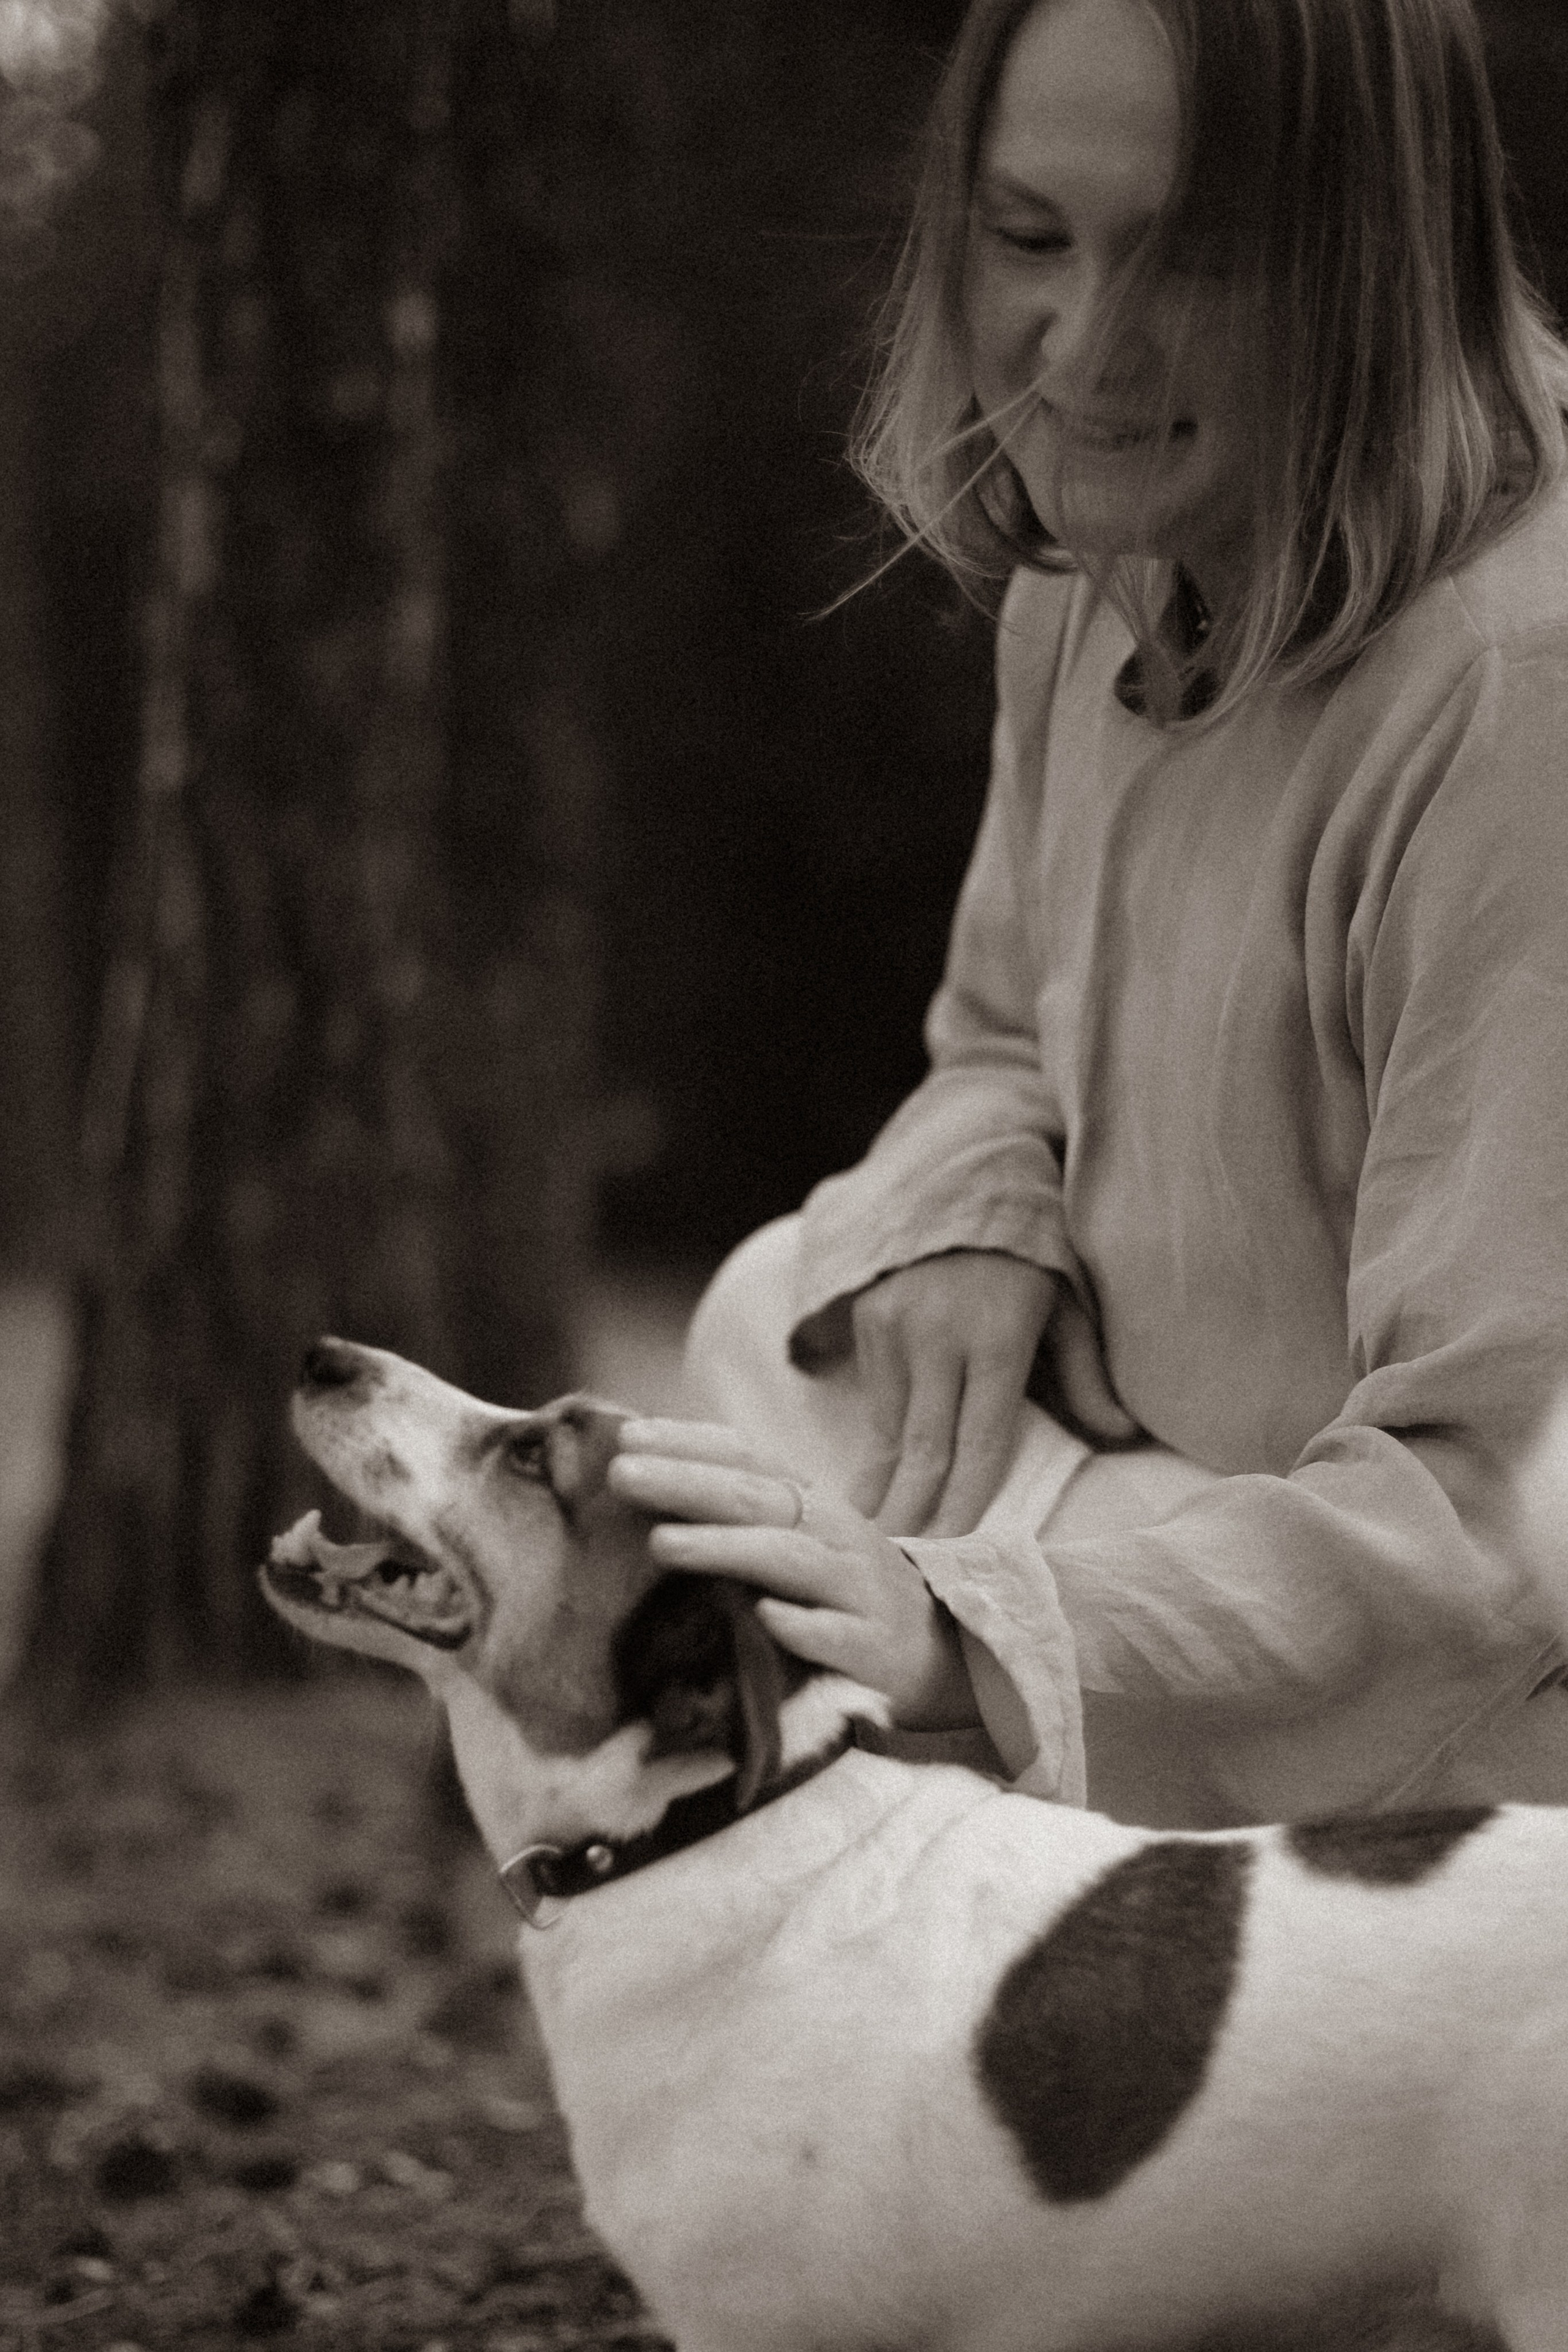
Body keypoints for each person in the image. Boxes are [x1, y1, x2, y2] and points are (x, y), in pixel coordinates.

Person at [608, 0, 1568, 1828]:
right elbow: (999, 1035)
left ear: (1384, 258)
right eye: (1029, 238)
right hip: (1184, 1508)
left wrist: (977, 1633)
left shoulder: (1525, 692)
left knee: (813, 1514)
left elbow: (1516, 1495)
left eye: (1196, 255)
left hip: (1489, 1689)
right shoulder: (1103, 573)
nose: (1086, 349)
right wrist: (979, 1212)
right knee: (780, 1328)